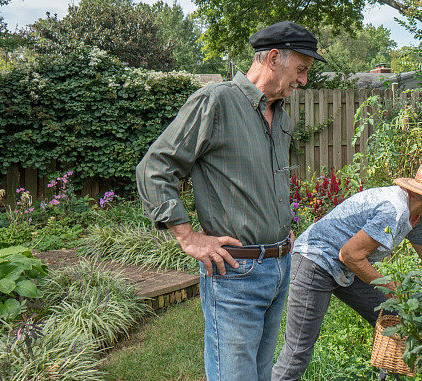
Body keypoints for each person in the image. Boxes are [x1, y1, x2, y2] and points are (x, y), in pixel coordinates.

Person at [136, 20, 325, 381]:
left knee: (259, 374)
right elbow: (155, 167)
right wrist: (188, 237)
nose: (303, 80)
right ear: (273, 58)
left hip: (280, 265)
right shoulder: (216, 102)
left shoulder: (281, 116)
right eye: (300, 70)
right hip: (236, 274)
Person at [272, 159, 422, 381]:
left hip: (345, 265)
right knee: (297, 353)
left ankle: (389, 376)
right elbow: (349, 254)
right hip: (315, 261)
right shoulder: (394, 209)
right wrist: (391, 287)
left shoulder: (415, 217)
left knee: (393, 316)